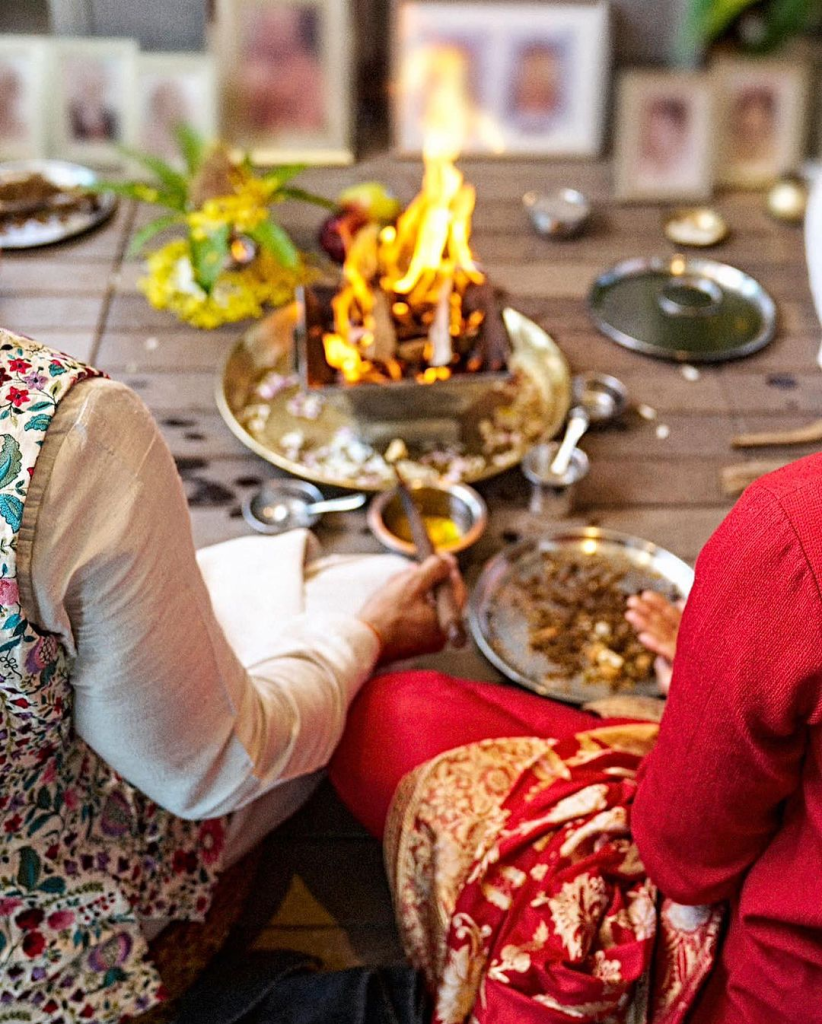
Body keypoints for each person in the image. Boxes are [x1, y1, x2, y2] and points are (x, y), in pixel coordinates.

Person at [0, 327, 463, 1023]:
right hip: (37, 919)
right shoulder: (67, 436)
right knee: (354, 589)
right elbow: (211, 768)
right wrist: (365, 635)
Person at [331, 450, 822, 1022]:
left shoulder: (798, 530)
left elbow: (684, 859)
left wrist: (704, 689)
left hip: (759, 992)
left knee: (392, 720)